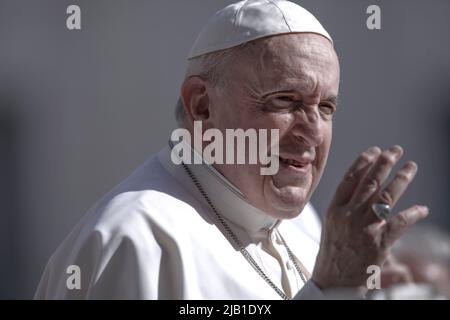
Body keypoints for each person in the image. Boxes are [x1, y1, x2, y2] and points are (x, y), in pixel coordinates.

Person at [34, 0, 428, 300]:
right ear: (202, 105)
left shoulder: (303, 225)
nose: (312, 132)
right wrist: (332, 288)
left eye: (326, 107)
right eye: (285, 100)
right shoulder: (134, 240)